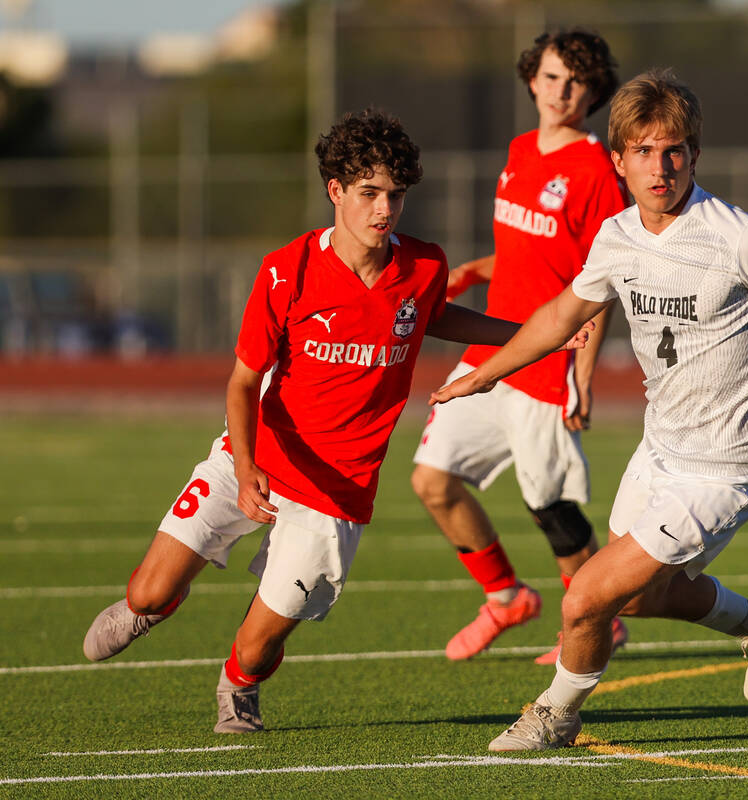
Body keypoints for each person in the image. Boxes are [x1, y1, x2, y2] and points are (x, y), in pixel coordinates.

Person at [80, 109, 591, 734]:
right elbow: (242, 382)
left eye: (395, 195)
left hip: (337, 494)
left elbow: (438, 317)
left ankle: (237, 689)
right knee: (147, 594)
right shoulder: (286, 270)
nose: (385, 209)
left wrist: (538, 335)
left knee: (256, 649)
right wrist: (243, 468)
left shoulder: (423, 265)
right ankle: (153, 605)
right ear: (336, 192)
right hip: (259, 460)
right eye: (369, 193)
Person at [428, 69, 748, 751]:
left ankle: (555, 717)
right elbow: (560, 317)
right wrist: (485, 375)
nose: (659, 166)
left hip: (728, 463)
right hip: (661, 450)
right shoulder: (616, 236)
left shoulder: (744, 239)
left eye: (673, 150)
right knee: (634, 596)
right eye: (642, 151)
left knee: (584, 597)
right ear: (618, 161)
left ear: (695, 155)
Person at [410, 29, 629, 664]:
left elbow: (601, 279)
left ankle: (600, 619)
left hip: (547, 358)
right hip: (490, 349)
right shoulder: (518, 150)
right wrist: (478, 272)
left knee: (551, 509)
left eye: (577, 81)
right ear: (533, 79)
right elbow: (526, 246)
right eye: (553, 76)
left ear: (593, 92)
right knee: (432, 481)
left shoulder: (595, 171)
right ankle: (506, 597)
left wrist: (583, 374)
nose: (563, 90)